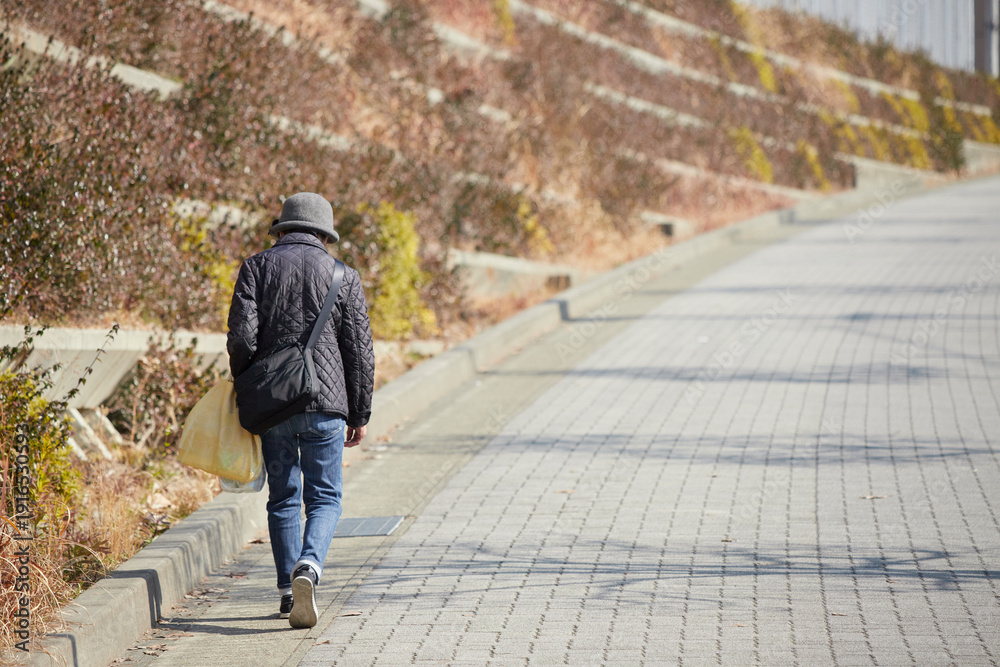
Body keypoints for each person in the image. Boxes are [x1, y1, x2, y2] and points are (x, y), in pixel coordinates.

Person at [227, 192, 375, 628]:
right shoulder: (344, 275)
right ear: (324, 234)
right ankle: (309, 565)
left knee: (283, 497)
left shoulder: (256, 267)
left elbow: (242, 339)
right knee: (325, 496)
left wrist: (249, 385)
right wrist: (360, 414)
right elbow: (360, 353)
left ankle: (288, 593)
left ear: (283, 229)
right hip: (327, 404)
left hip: (274, 404)